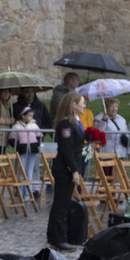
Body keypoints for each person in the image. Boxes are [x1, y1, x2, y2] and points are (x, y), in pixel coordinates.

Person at [47, 91, 87, 251]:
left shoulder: (74, 123)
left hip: (70, 167)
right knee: (61, 205)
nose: (84, 105)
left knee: (62, 203)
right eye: (82, 102)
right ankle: (57, 239)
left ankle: (58, 237)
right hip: (65, 169)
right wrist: (74, 171)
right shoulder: (65, 124)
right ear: (74, 104)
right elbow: (66, 150)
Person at [10, 105, 44, 200]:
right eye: (29, 116)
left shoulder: (34, 125)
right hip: (22, 151)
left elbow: (39, 136)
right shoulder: (16, 126)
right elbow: (12, 138)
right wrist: (18, 146)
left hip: (32, 151)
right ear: (23, 116)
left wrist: (36, 145)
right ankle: (20, 192)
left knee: (29, 171)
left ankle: (28, 192)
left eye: (32, 116)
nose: (31, 118)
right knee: (21, 171)